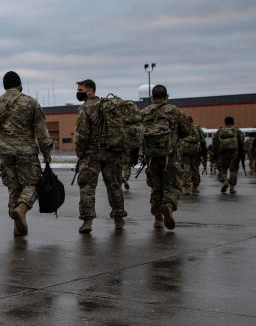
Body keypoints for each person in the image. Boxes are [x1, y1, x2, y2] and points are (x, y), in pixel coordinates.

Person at [0, 71, 53, 236]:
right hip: (26, 152)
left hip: (5, 153)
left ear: (4, 86)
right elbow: (41, 132)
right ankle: (22, 208)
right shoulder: (30, 103)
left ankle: (17, 226)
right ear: (20, 85)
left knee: (13, 187)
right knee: (32, 184)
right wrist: (46, 152)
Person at [74, 79, 127, 233]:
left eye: (80, 89)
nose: (78, 92)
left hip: (92, 154)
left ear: (90, 90)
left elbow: (82, 135)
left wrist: (80, 153)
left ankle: (87, 221)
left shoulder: (85, 108)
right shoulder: (108, 106)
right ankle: (119, 219)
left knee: (87, 187)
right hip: (111, 152)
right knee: (114, 186)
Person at [139, 85, 191, 229]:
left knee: (156, 187)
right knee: (172, 186)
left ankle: (158, 219)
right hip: (170, 156)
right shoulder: (175, 111)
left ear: (152, 97)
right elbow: (186, 130)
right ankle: (168, 205)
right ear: (166, 96)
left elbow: (137, 133)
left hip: (151, 158)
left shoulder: (143, 113)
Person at [212, 116, 245, 194]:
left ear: (225, 122)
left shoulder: (220, 131)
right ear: (233, 122)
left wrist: (214, 153)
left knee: (222, 169)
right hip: (234, 153)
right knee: (233, 170)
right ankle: (232, 188)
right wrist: (242, 154)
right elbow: (242, 143)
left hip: (222, 153)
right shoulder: (237, 131)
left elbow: (215, 143)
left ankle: (225, 181)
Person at [178, 116, 206, 195]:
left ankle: (187, 188)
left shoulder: (181, 129)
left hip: (184, 152)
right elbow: (203, 141)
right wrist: (204, 154)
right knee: (195, 168)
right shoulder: (197, 129)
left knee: (186, 168)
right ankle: (195, 187)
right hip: (195, 152)